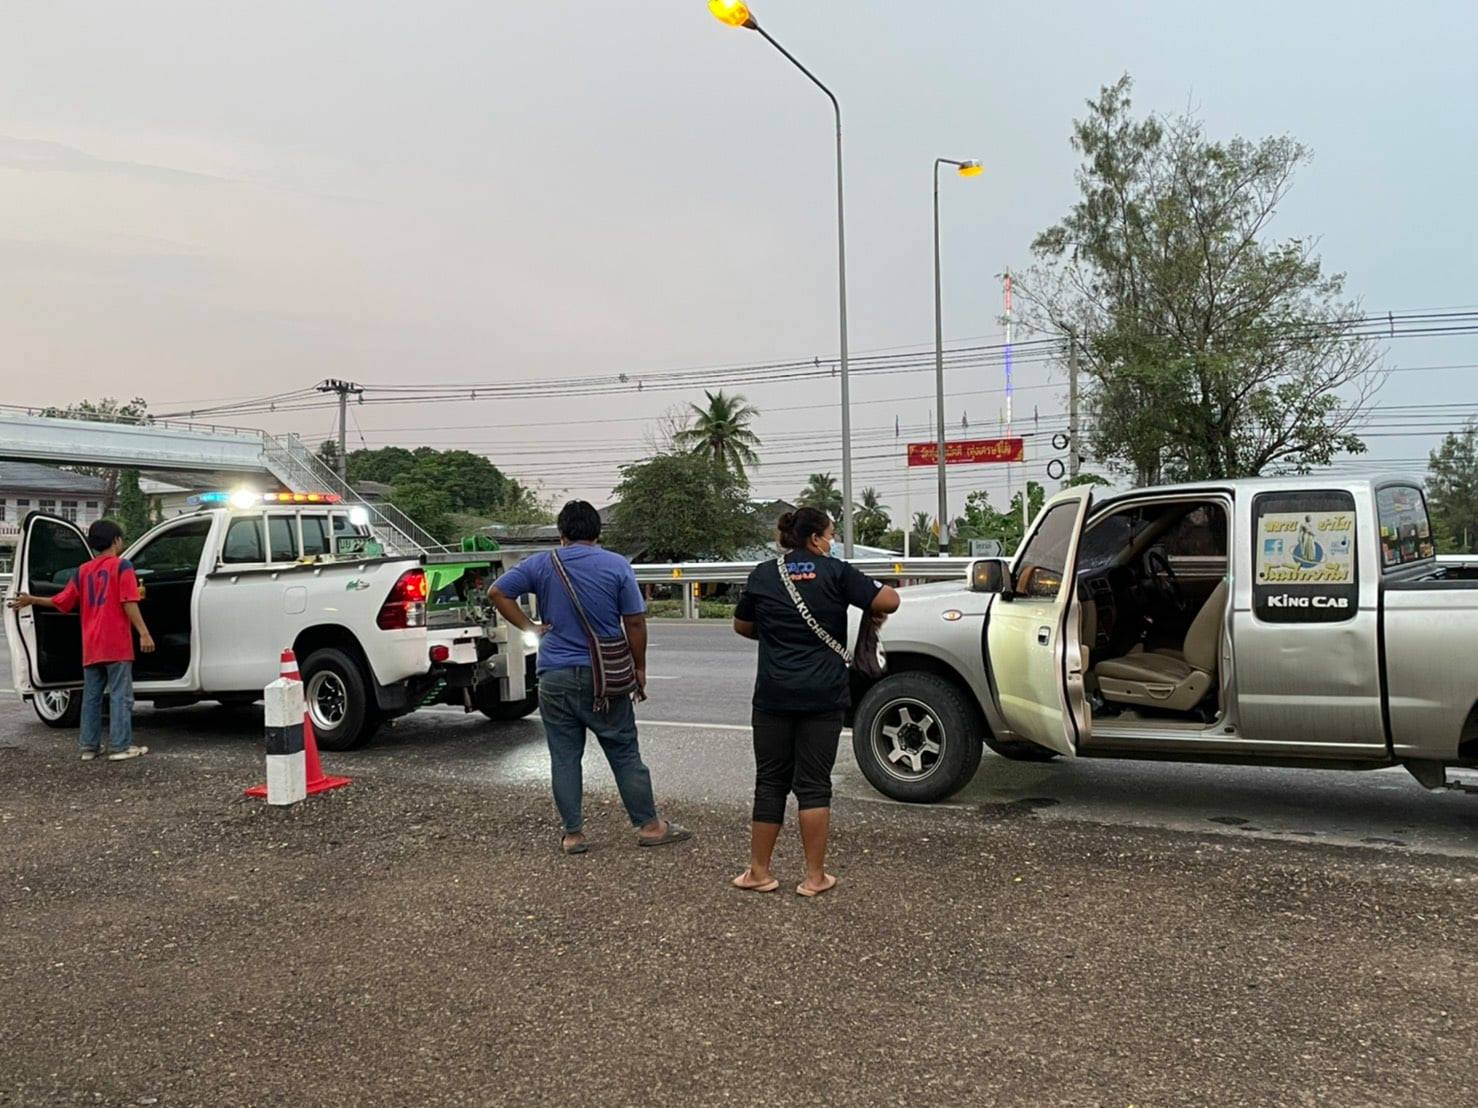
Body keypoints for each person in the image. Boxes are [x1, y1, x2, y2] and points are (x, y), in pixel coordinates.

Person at [488, 500, 692, 856]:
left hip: (554, 674)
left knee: (564, 756)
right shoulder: (616, 565)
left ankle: (573, 835)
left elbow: (498, 592)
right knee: (623, 750)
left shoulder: (541, 563)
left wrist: (530, 627)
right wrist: (639, 667)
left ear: (562, 533)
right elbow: (634, 622)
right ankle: (649, 826)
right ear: (597, 532)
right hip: (605, 676)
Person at [732, 507, 900, 897]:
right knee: (813, 785)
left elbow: (742, 625)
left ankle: (759, 872)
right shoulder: (836, 572)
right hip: (824, 694)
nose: (831, 541)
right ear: (814, 539)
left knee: (770, 782)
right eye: (830, 535)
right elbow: (890, 600)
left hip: (773, 694)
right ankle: (814, 877)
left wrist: (777, 634)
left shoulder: (763, 574)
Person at [8, 519, 156, 761]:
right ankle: (120, 746)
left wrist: (32, 599)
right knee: (120, 696)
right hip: (116, 643)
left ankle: (89, 747)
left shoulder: (83, 570)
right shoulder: (122, 566)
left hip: (91, 644)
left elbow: (62, 601)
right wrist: (144, 632)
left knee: (91, 697)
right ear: (116, 540)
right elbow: (129, 601)